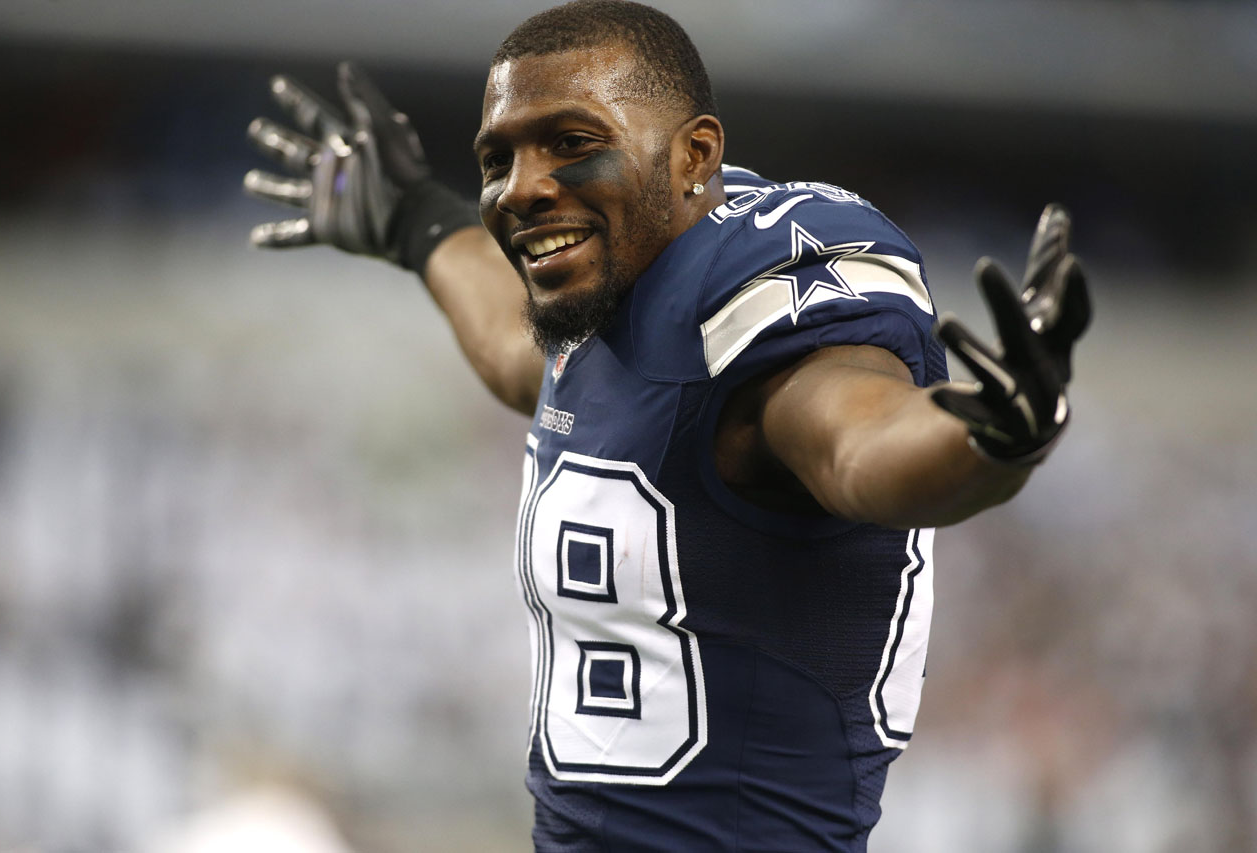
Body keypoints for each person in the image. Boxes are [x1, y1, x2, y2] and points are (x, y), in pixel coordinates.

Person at [242, 1, 1090, 849]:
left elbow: (858, 440)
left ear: (695, 155)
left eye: (570, 142)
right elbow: (514, 349)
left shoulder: (754, 318)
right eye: (498, 158)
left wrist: (986, 435)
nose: (523, 187)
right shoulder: (619, 291)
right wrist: (417, 222)